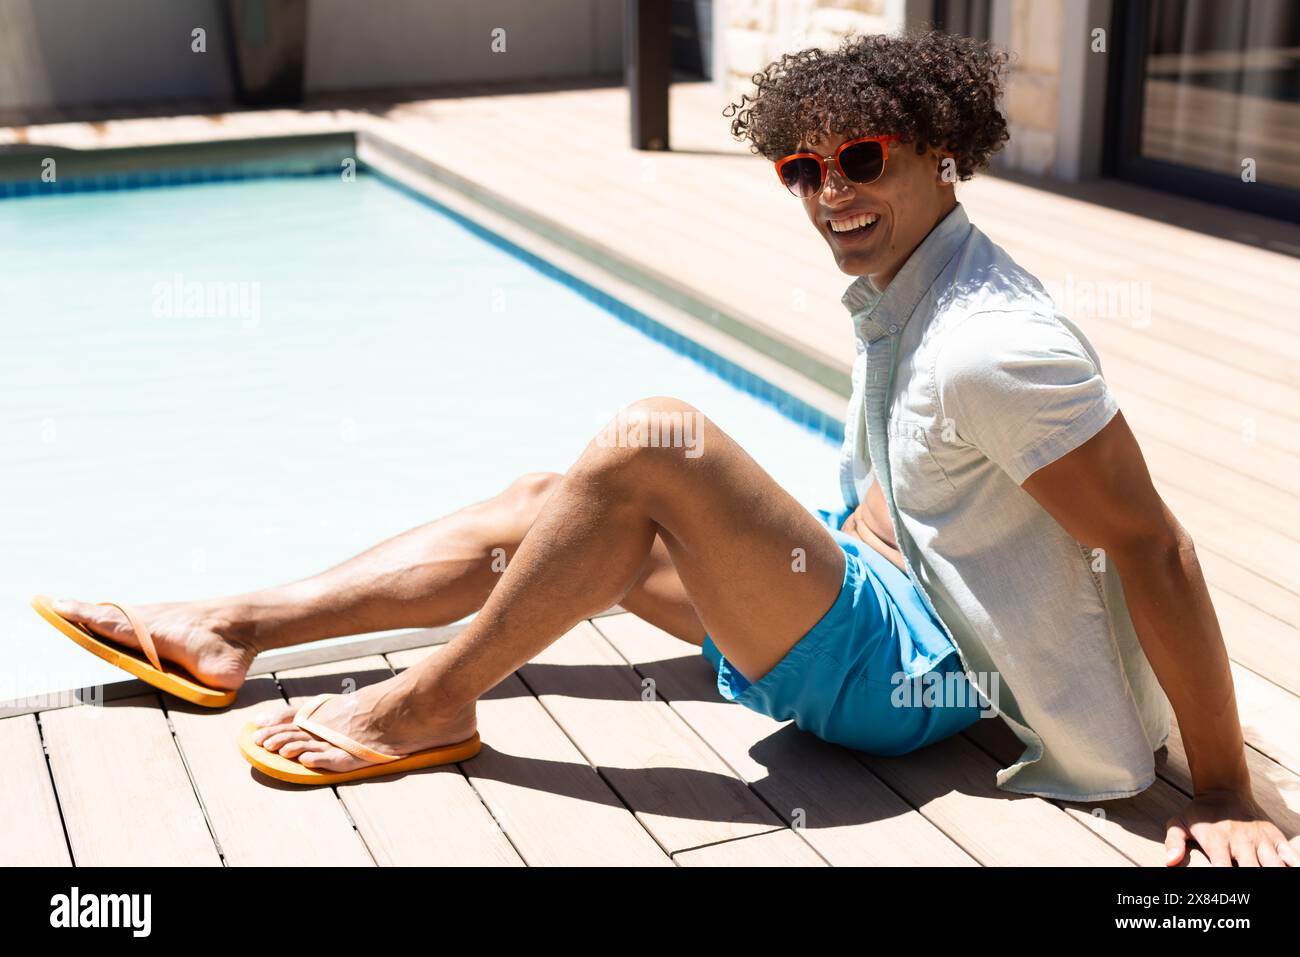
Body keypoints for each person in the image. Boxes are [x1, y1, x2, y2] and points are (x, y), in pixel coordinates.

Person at [47, 30, 1295, 866]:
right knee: (548, 501)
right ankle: (233, 629)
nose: (827, 194)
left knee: (653, 443)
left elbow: (1154, 548)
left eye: (860, 160)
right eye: (800, 169)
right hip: (868, 605)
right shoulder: (912, 279)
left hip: (908, 676)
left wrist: (1228, 790)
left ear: (943, 155)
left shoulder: (992, 342)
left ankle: (426, 705)